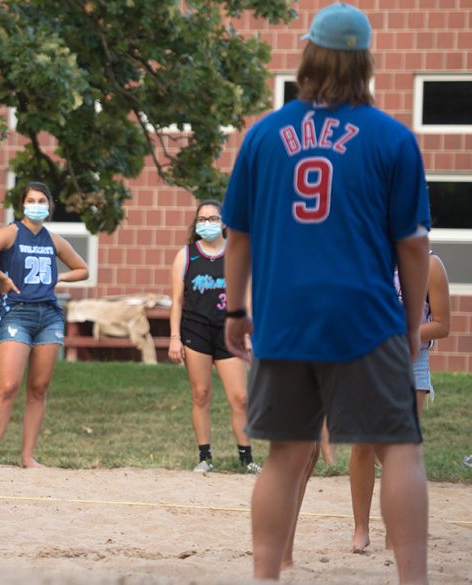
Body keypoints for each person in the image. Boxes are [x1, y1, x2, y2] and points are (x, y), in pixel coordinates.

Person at [222, 4, 431, 582]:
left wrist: (238, 309)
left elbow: (237, 235)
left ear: (308, 53)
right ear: (365, 62)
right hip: (364, 316)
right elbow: (412, 247)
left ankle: (266, 576)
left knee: (284, 457)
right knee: (399, 450)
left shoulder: (263, 136)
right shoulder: (393, 138)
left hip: (285, 318)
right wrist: (410, 321)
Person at [0, 182, 89, 468]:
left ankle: (27, 457)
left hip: (48, 316)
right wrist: (2, 277)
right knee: (8, 385)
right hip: (16, 314)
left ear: (49, 206)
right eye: (31, 200)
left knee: (39, 387)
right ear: (22, 205)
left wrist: (60, 278)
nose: (36, 205)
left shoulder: (54, 240)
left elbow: (83, 269)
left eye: (42, 200)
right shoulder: (11, 233)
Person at [350, 251, 450, 553]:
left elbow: (443, 325)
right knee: (363, 444)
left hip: (412, 362)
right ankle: (361, 529)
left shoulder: (430, 264)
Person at [168, 199, 257, 474]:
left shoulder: (237, 253)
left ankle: (247, 458)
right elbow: (177, 300)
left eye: (213, 218)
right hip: (196, 330)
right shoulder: (186, 255)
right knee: (201, 393)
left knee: (240, 397)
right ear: (196, 224)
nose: (208, 224)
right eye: (202, 219)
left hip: (229, 332)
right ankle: (204, 457)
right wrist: (174, 337)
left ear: (224, 222)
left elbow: (248, 296)